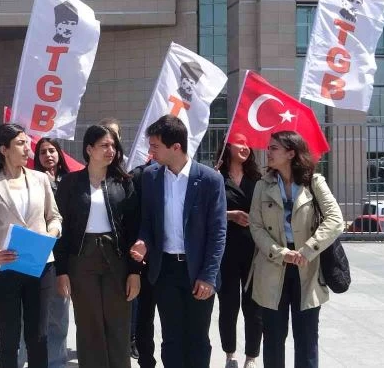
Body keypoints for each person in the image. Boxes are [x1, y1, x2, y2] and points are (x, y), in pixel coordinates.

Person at [129, 114, 227, 368]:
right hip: (165, 270)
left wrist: (208, 276)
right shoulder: (151, 177)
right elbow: (148, 223)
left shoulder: (209, 180)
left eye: (155, 146)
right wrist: (143, 242)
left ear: (176, 147)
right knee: (171, 338)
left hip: (198, 271)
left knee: (197, 338)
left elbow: (218, 233)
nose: (151, 152)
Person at [249, 131, 344, 368]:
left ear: (291, 153)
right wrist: (281, 253)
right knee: (273, 338)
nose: (268, 152)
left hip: (307, 267)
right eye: (269, 148)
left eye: (274, 148)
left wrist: (308, 250)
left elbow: (335, 220)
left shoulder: (314, 181)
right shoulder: (262, 185)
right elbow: (256, 226)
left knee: (307, 338)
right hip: (273, 266)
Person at [0, 123, 62, 368]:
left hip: (40, 265)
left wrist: (51, 234)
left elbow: (54, 216)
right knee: (9, 337)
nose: (28, 149)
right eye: (21, 144)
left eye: (27, 143)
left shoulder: (41, 179)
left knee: (38, 336)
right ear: (4, 149)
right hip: (6, 268)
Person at [54, 125, 141, 367]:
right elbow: (62, 229)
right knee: (88, 323)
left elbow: (134, 229)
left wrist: (135, 271)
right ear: (89, 149)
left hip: (116, 257)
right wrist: (62, 271)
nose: (110, 150)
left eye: (113, 145)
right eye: (104, 145)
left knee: (118, 322)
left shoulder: (124, 182)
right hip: (81, 259)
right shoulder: (71, 183)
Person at [215, 136, 263, 368]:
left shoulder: (258, 179)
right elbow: (206, 211)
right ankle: (230, 354)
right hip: (225, 250)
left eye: (247, 144)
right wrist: (230, 215)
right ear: (228, 146)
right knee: (228, 305)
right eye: (240, 143)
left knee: (253, 306)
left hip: (254, 250)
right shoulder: (216, 177)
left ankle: (251, 356)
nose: (245, 147)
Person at [33, 137, 71, 367]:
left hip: (63, 256)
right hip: (38, 253)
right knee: (34, 316)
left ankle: (57, 362)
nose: (48, 155)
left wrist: (53, 186)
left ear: (59, 154)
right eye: (43, 152)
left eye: (52, 151)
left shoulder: (70, 180)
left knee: (59, 314)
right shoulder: (31, 179)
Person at [129, 157, 157, 367]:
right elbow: (132, 219)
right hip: (144, 261)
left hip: (173, 262)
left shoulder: (186, 176)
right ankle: (146, 361)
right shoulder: (140, 176)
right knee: (144, 317)